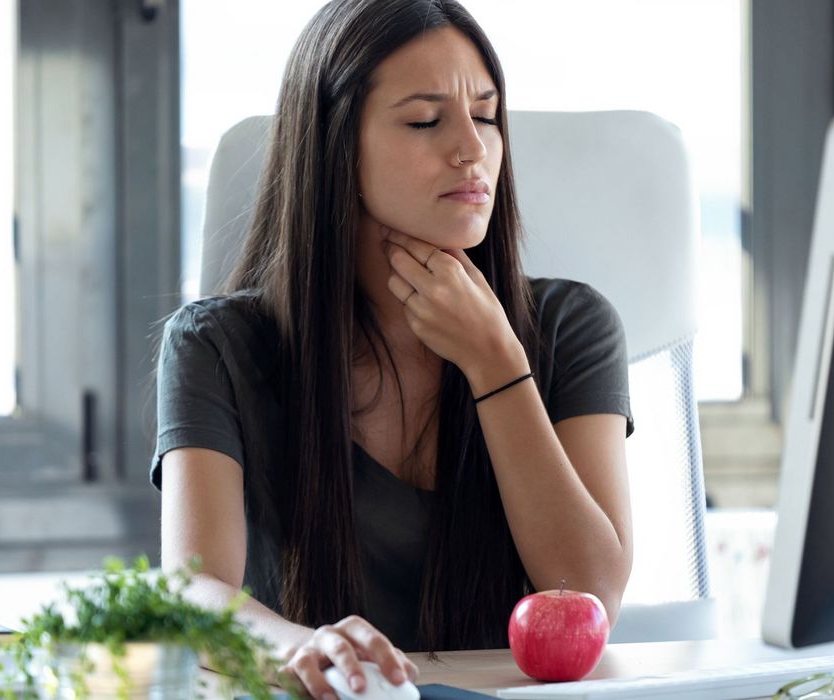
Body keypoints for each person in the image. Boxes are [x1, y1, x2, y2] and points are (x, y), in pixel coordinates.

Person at [152, 1, 635, 697]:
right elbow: (190, 595)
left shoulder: (573, 326)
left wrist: (497, 365)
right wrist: (305, 647)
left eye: (489, 115)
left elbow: (588, 596)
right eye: (425, 120)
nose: (473, 149)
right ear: (336, 147)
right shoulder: (215, 347)